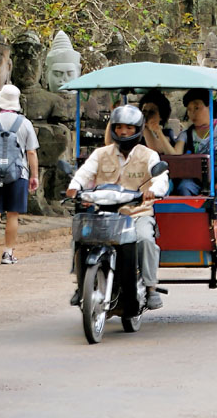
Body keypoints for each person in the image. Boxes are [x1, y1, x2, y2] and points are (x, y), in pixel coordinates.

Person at [67, 104, 170, 310]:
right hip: (104, 214)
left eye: (129, 128)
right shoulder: (100, 153)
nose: (124, 132)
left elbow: (161, 178)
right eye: (120, 127)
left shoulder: (149, 155)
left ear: (138, 129)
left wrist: (154, 190)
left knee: (144, 239)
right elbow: (85, 173)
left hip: (137, 214)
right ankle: (81, 285)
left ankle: (150, 287)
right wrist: (74, 187)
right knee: (80, 237)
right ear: (113, 128)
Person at [0, 84, 40, 266]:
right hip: (18, 174)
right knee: (12, 214)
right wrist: (34, 176)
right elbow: (31, 153)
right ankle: (8, 253)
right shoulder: (25, 124)